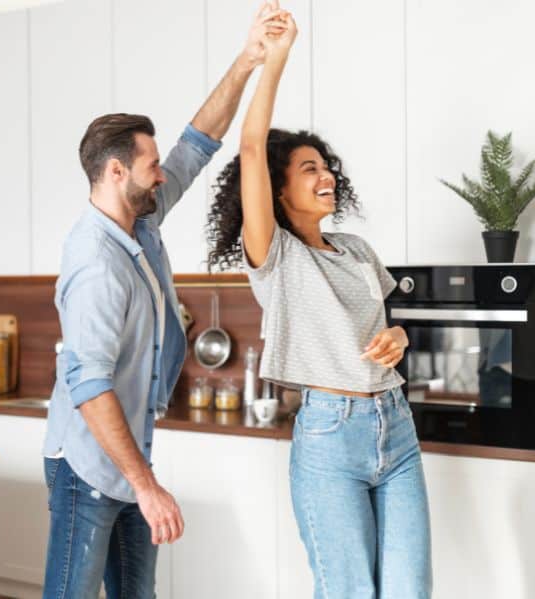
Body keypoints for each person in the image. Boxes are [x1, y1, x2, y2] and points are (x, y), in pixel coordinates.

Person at [40, 7, 287, 599]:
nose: (162, 176)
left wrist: (251, 56)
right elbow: (90, 387)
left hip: (126, 462)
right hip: (88, 468)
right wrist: (146, 485)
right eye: (151, 168)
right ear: (116, 171)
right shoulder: (97, 265)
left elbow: (198, 142)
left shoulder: (140, 218)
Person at [206, 3, 433, 598]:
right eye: (308, 169)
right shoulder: (275, 256)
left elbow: (394, 325)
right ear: (279, 191)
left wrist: (400, 337)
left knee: (411, 591)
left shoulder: (356, 250)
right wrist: (274, 60)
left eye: (326, 166)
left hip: (395, 426)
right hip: (330, 439)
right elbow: (252, 147)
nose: (325, 174)